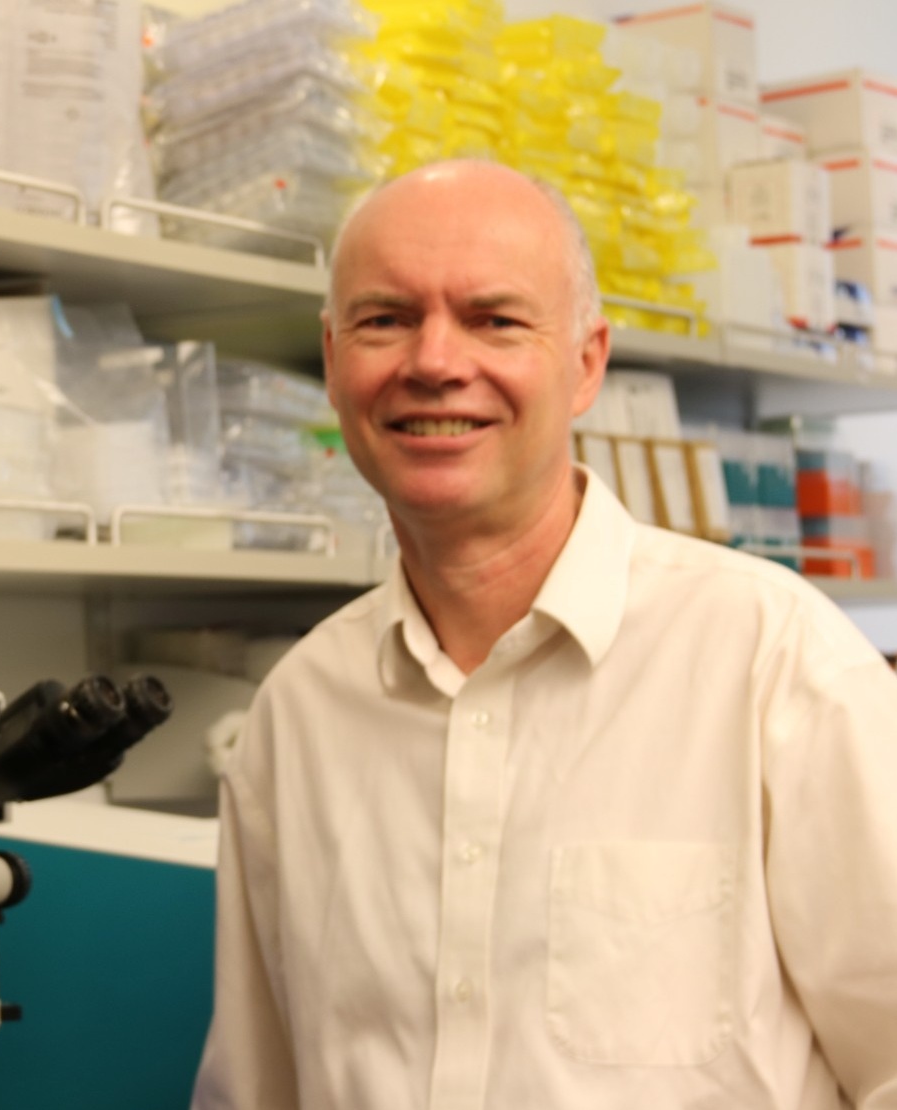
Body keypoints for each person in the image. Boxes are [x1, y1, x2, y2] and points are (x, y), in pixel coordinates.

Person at [193, 160, 897, 1108]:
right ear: (331, 361)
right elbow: (257, 1089)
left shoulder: (773, 661)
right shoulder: (298, 715)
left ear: (586, 363)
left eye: (494, 319)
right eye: (384, 319)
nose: (435, 361)